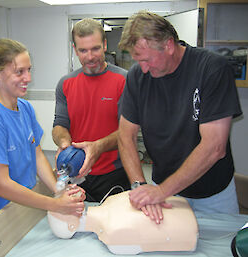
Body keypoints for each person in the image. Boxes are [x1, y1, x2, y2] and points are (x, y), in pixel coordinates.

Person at [117, 11, 242, 224]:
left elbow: (214, 147)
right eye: (138, 61)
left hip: (212, 193)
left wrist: (161, 191)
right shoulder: (137, 77)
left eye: (147, 60)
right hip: (164, 191)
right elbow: (125, 136)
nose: (143, 69)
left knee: (221, 249)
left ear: (168, 45)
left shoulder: (211, 69)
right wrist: (140, 187)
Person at [0, 38, 85, 235]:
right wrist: (55, 205)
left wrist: (60, 192)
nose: (28, 78)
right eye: (19, 72)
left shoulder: (25, 108)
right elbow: (2, 185)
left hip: (23, 206)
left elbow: (37, 155)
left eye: (29, 70)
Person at [52, 18, 130, 202]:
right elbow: (59, 125)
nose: (90, 56)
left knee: (114, 228)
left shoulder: (124, 81)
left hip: (113, 173)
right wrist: (64, 143)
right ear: (75, 49)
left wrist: (98, 147)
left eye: (95, 48)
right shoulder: (65, 84)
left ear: (104, 45)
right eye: (83, 50)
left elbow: (128, 132)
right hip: (76, 173)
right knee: (77, 226)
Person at [47, 191, 198, 254]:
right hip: (185, 223)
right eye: (65, 211)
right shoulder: (113, 234)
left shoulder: (111, 207)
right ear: (71, 227)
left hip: (183, 214)